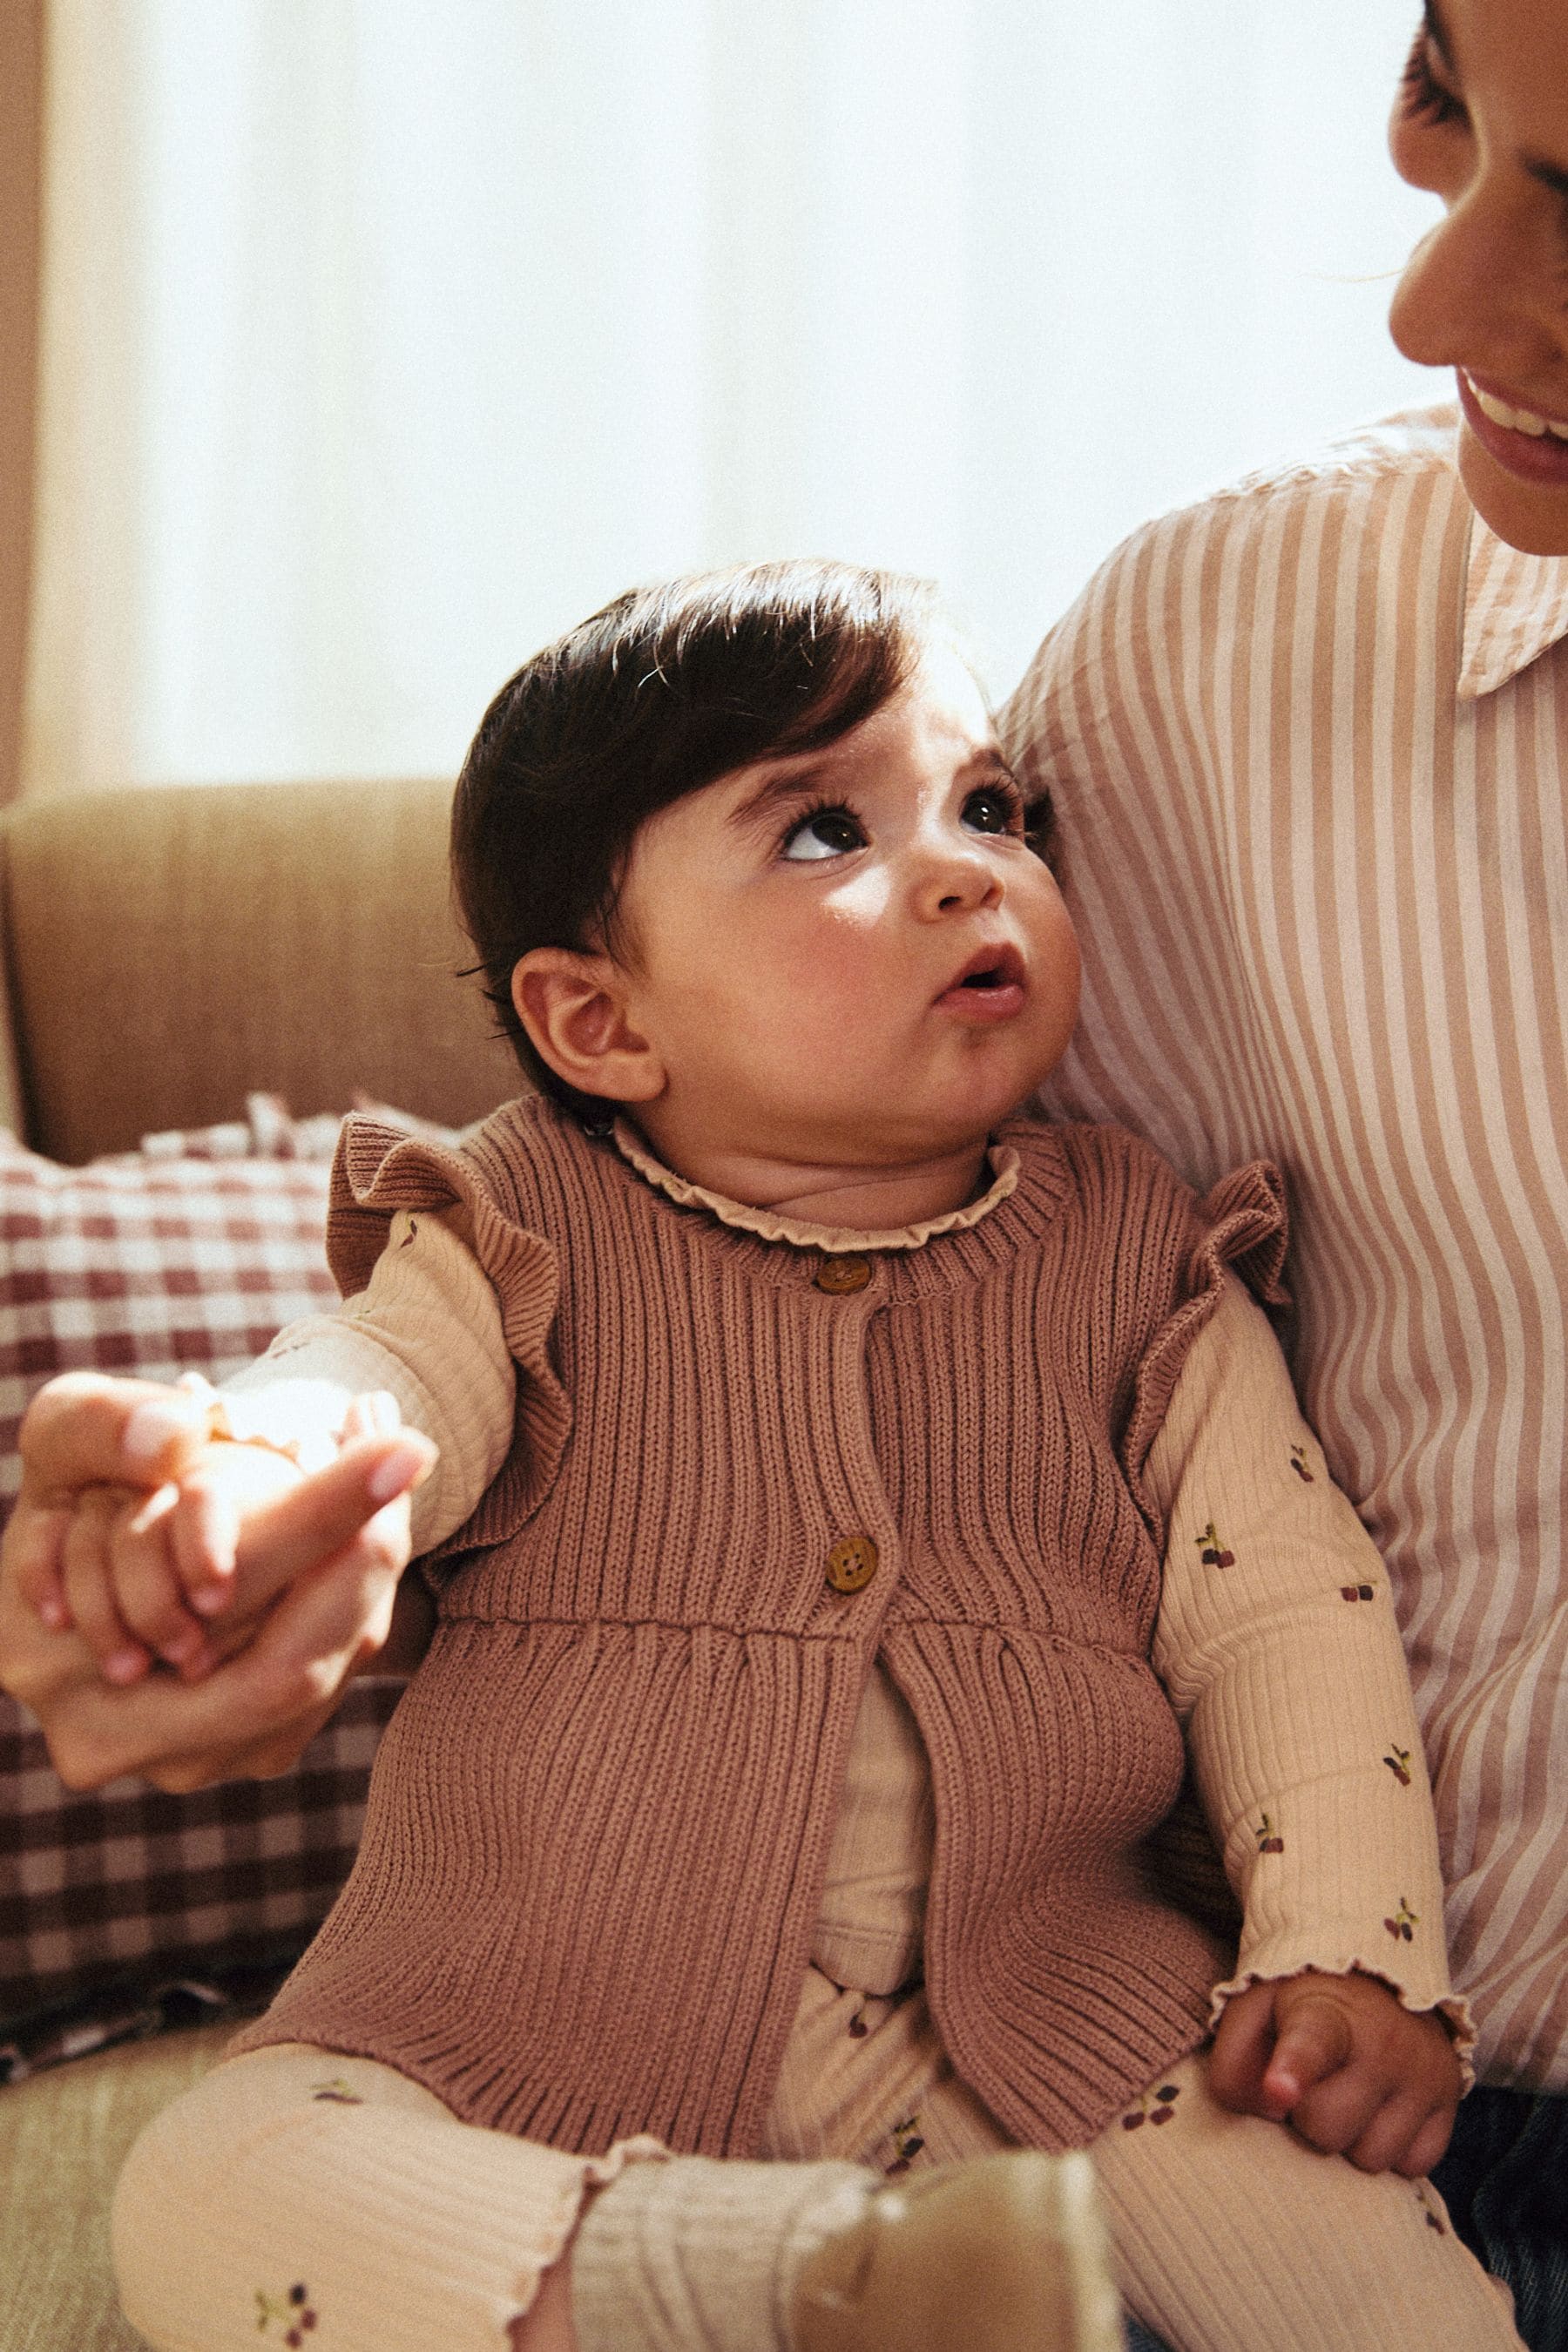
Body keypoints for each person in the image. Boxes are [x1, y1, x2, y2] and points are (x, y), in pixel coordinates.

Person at [0, 561, 1520, 2352]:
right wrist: (250, 1471)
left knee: (1361, 2262)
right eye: (822, 832)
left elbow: (1283, 1606)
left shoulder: (1141, 1254)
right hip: (533, 2032)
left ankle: (921, 2291)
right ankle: (787, 2294)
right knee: (215, 2184)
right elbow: (373, 1385)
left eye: (990, 806)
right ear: (603, 1023)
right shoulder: (517, 1227)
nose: (968, 866)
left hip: (1089, 2036)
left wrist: (1348, 1951)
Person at [996, 3, 1568, 2347]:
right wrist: (346, 1451)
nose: (1433, 302)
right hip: (1394, 2133)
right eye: (1453, 99)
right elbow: (850, 1280)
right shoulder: (1209, 666)